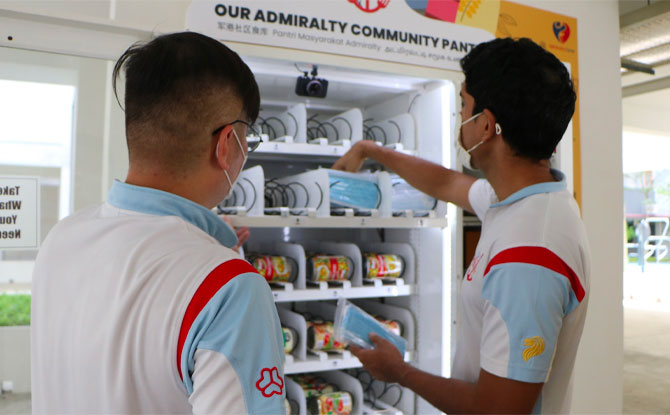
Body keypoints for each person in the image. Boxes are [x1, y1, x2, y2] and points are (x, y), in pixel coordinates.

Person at [31, 32, 286, 414]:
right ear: (226, 144)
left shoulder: (61, 238)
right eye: (247, 139)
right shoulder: (230, 289)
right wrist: (220, 267)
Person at [334, 37, 589, 414]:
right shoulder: (526, 199)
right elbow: (446, 183)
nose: (459, 118)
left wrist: (399, 372)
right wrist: (373, 151)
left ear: (485, 125)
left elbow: (496, 410)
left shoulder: (529, 258)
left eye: (463, 105)